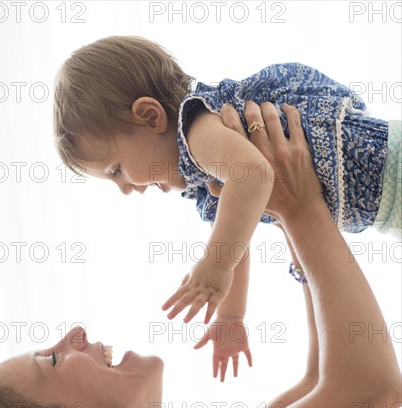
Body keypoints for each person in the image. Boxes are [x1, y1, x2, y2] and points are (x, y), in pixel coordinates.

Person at [0, 103, 400, 408]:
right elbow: (369, 389)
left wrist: (285, 207)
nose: (75, 335)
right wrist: (302, 212)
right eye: (50, 359)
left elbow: (320, 382)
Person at [53, 35, 401, 380]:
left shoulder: (198, 127)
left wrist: (214, 263)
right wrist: (231, 317)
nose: (126, 189)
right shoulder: (206, 178)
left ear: (150, 117)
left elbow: (252, 173)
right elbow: (238, 235)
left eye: (117, 169)